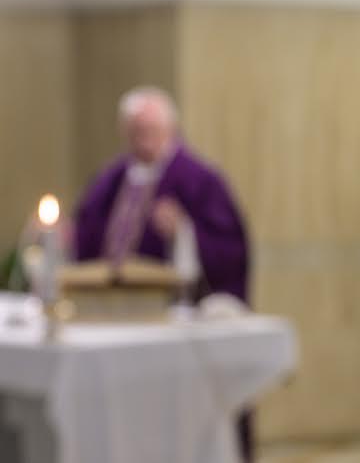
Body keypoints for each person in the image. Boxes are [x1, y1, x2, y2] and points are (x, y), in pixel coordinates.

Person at [73, 85, 252, 459]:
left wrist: (184, 233)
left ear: (172, 129)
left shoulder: (200, 179)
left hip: (166, 317)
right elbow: (85, 234)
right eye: (136, 132)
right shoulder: (112, 178)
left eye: (151, 131)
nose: (143, 140)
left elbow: (232, 250)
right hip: (110, 317)